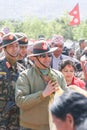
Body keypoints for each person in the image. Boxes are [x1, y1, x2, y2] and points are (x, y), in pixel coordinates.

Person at [15, 40, 67, 130]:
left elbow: (67, 101)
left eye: (49, 55)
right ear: (34, 58)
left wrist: (61, 94)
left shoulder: (59, 75)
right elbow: (20, 101)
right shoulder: (25, 76)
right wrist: (43, 94)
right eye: (43, 56)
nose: (47, 59)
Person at [0, 33, 24, 129]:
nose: (14, 49)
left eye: (17, 46)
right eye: (11, 46)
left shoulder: (22, 69)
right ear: (4, 49)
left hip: (16, 119)